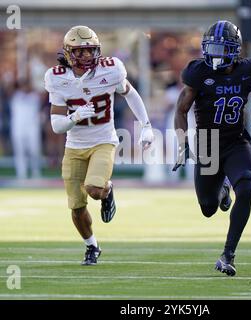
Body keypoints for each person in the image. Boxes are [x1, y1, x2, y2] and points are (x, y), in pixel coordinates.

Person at [173, 20, 251, 276]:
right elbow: (181, 109)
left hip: (236, 141)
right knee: (208, 208)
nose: (215, 54)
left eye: (221, 49)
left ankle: (228, 254)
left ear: (234, 50)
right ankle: (222, 190)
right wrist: (183, 142)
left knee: (246, 188)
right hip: (208, 144)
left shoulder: (248, 70)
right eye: (212, 48)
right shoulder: (198, 72)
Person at [45, 26, 154, 266]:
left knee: (94, 189)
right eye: (80, 52)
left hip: (103, 140)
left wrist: (145, 124)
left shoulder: (111, 69)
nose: (87, 56)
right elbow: (56, 125)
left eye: (91, 51)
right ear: (68, 52)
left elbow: (130, 93)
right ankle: (92, 246)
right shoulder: (57, 77)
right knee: (76, 207)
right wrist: (74, 117)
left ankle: (107, 190)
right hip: (74, 146)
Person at [10, 79, 42, 179]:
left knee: (35, 150)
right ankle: (21, 173)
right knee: (19, 151)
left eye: (27, 86)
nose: (25, 88)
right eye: (23, 86)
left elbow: (42, 94)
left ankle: (36, 172)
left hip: (32, 127)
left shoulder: (34, 97)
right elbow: (9, 89)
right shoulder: (15, 96)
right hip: (18, 127)